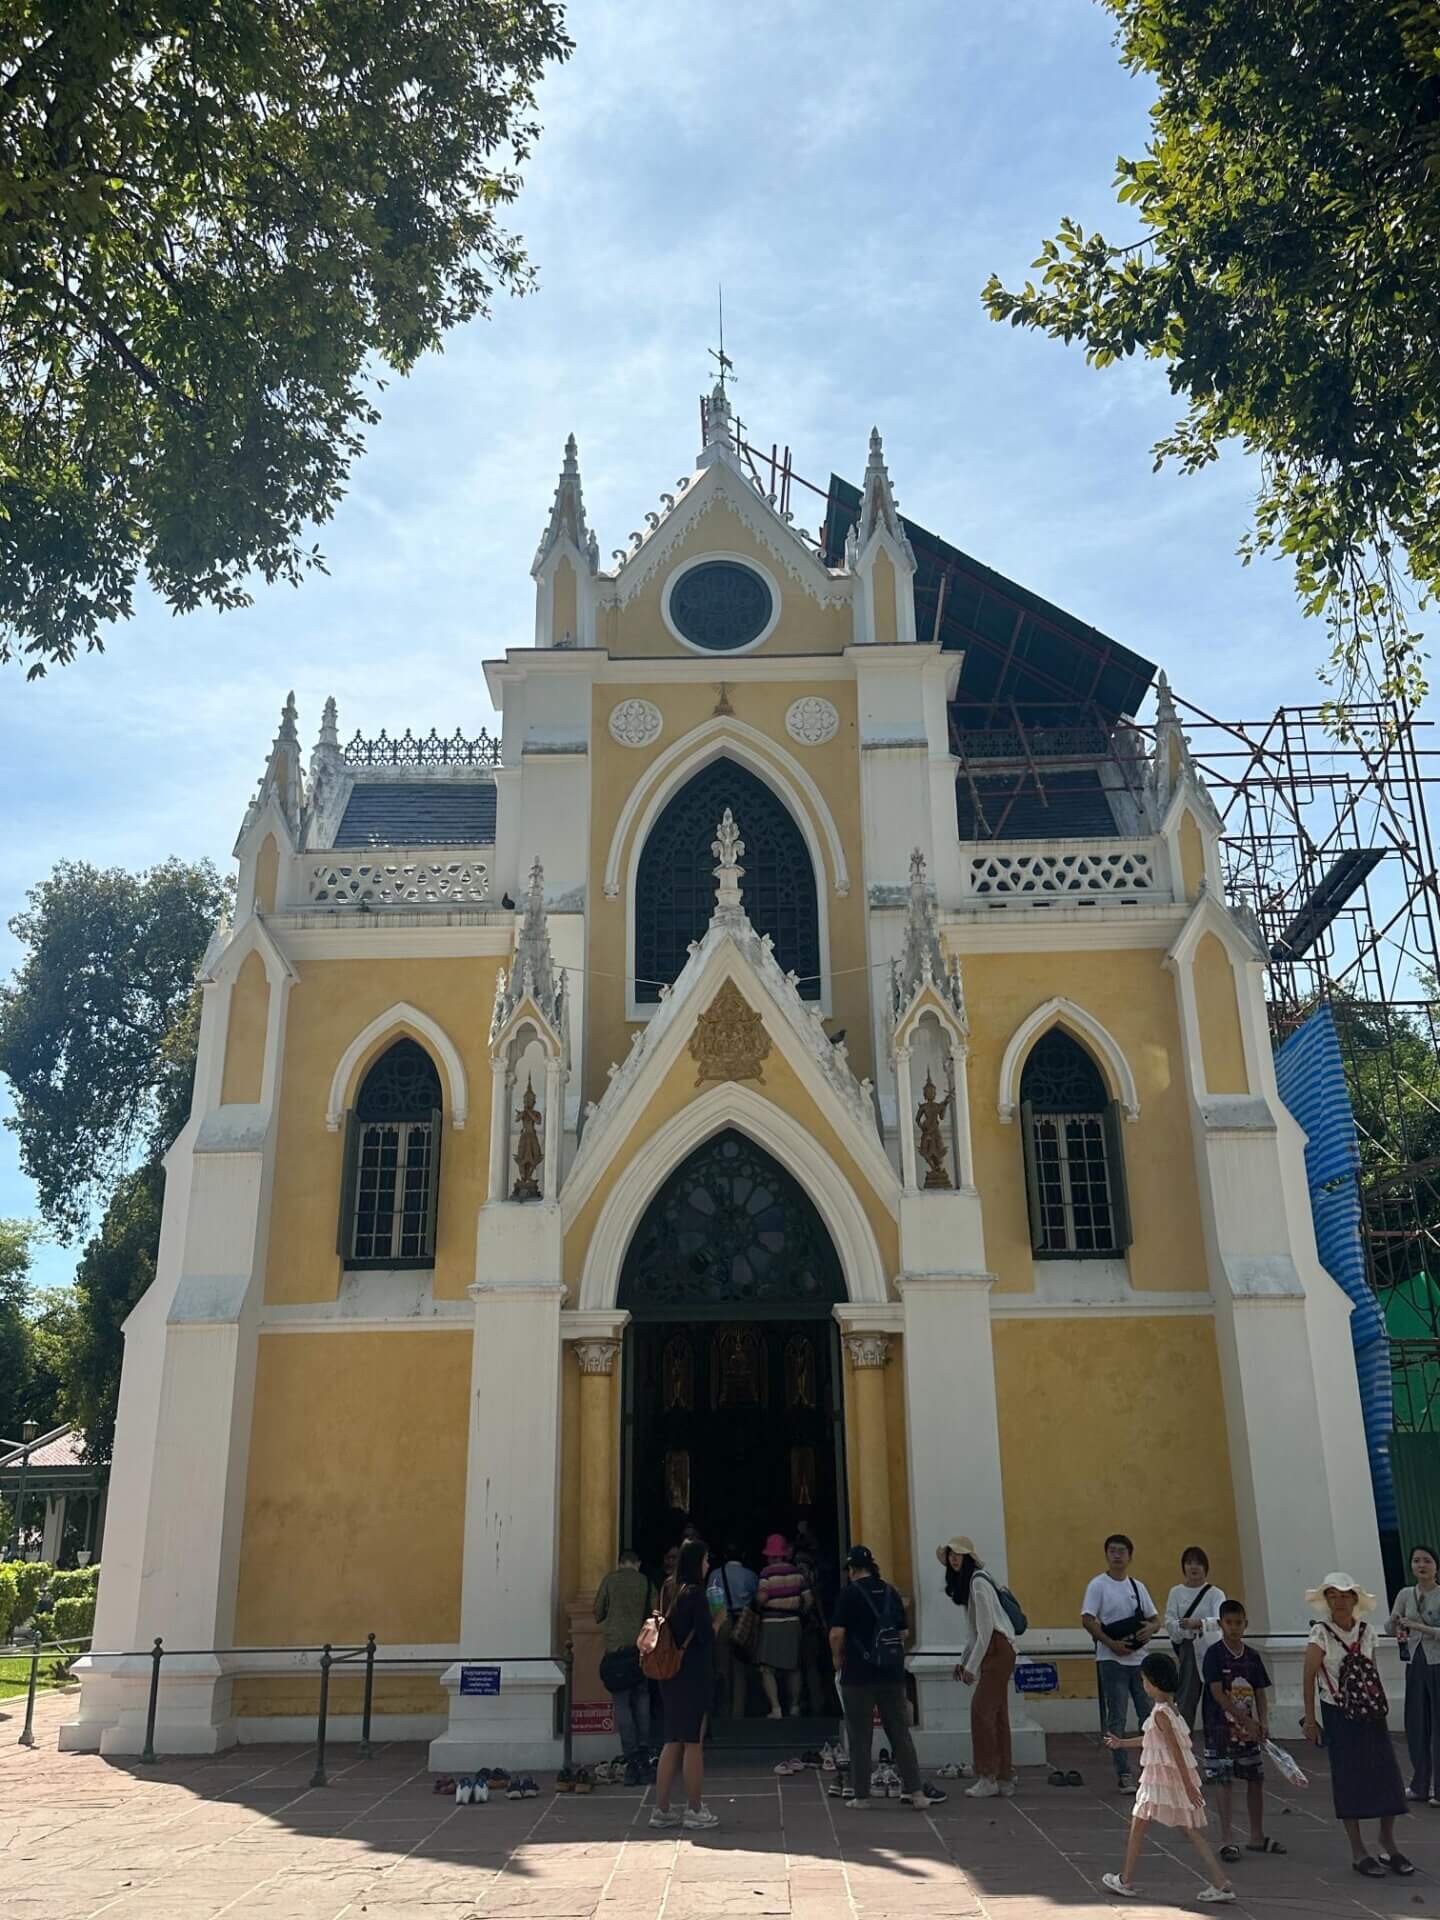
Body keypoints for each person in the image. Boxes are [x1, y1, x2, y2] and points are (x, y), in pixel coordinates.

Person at [1100, 1649, 1236, 1903]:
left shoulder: (1161, 1713)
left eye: (1144, 1680)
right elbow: (1153, 1739)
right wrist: (1122, 1743)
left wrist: (1187, 1785)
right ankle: (1220, 1881)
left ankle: (1126, 1880)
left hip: (1162, 1781)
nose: (1143, 1685)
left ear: (1153, 1682)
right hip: (1164, 1780)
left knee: (1143, 1824)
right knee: (1185, 1829)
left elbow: (1173, 1750)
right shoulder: (1171, 1710)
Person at [1301, 1570, 1412, 1879]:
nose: (1339, 1601)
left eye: (1344, 1595)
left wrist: (1374, 1701)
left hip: (1369, 1711)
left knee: (1386, 1774)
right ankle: (1358, 1849)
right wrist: (1311, 1719)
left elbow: (1370, 1670)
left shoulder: (1366, 1631)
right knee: (1349, 1779)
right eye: (1332, 1595)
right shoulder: (1320, 1633)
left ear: (1354, 1599)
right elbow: (1309, 1674)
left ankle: (1387, 1840)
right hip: (1337, 1713)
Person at [829, 1543, 947, 1810]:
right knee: (900, 1733)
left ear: (851, 1569)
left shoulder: (848, 1595)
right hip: (891, 1673)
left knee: (860, 1735)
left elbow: (837, 1634)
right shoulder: (891, 1592)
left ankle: (861, 1796)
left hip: (858, 1674)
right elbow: (903, 1634)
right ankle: (916, 1791)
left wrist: (837, 1659)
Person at [1201, 1599, 1284, 1859]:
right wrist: (1243, 1719)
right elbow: (1217, 1692)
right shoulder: (1214, 1654)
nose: (1234, 1628)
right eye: (1229, 1623)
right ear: (1221, 1624)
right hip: (1220, 1729)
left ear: (1246, 1624)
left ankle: (1256, 1835)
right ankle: (1227, 1839)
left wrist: (1263, 1721)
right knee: (1223, 1780)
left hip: (1248, 1732)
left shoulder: (1252, 1657)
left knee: (1254, 1779)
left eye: (1239, 1623)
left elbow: (1260, 1690)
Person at [938, 1535, 1016, 1799]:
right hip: (996, 1649)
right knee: (997, 1714)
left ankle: (987, 1775)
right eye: (950, 1555)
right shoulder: (974, 1584)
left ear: (969, 1557)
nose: (953, 1558)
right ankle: (1004, 1776)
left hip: (997, 1648)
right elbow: (974, 1634)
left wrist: (970, 1667)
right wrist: (963, 1661)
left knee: (981, 1711)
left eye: (958, 1554)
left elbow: (984, 1632)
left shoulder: (979, 1583)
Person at [649, 1538, 719, 1831]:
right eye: (704, 1560)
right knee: (693, 1742)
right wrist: (720, 1621)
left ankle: (661, 1808)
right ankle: (694, 1808)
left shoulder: (667, 1588)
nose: (707, 1565)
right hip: (692, 1674)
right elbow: (705, 1636)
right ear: (695, 1562)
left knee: (671, 1740)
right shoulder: (695, 1594)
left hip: (668, 1671)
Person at [1082, 1533, 1160, 1792]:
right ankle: (1123, 1772)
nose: (1117, 1555)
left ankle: (1149, 1768)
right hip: (1111, 1659)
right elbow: (1088, 1618)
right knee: (1115, 1717)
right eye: (1112, 1550)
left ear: (1129, 1556)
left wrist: (1149, 1631)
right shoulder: (1098, 1585)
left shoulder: (1137, 1587)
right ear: (1106, 1554)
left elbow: (1154, 1618)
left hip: (1139, 1660)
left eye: (1122, 1551)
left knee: (1147, 1714)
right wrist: (1110, 1643)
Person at [594, 1548, 654, 1783]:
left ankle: (630, 1756)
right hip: (640, 1652)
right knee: (642, 1698)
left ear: (620, 1563)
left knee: (622, 1703)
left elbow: (597, 1612)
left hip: (616, 1651)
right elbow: (655, 1615)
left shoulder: (610, 1581)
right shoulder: (646, 1582)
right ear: (637, 1563)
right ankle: (644, 1749)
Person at [1388, 1543, 1440, 1806]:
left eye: (1427, 1561)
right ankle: (1420, 1784)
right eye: (1417, 1561)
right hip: (1415, 1663)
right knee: (1417, 1724)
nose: (1421, 1565)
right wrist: (1396, 1620)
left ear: (1436, 1567)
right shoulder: (1405, 1594)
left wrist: (1419, 1626)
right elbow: (1389, 1627)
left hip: (1437, 1662)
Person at [1165, 1546, 1226, 1728]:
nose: (1194, 1567)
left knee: (1215, 1694)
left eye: (1198, 1563)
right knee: (1186, 1697)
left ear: (1205, 1567)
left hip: (1211, 1649)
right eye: (1189, 1562)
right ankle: (1183, 1738)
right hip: (1189, 1648)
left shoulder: (1216, 1593)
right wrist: (1184, 1627)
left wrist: (1199, 1623)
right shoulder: (1176, 1592)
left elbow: (1220, 1620)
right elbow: (1169, 1620)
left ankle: (1217, 1741)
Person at [755, 1532, 811, 1718]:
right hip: (793, 1622)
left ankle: (776, 1708)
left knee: (766, 1667)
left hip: (771, 1623)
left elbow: (761, 1598)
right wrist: (798, 1611)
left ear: (770, 1555)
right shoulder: (797, 1573)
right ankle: (794, 1707)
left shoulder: (766, 1573)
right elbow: (808, 1600)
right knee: (793, 1666)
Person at [706, 1543, 759, 1719]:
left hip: (722, 1621)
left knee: (721, 1668)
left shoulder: (714, 1574)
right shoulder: (750, 1575)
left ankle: (723, 1710)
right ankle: (738, 1712)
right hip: (742, 1623)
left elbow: (711, 1602)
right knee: (740, 1669)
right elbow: (757, 1597)